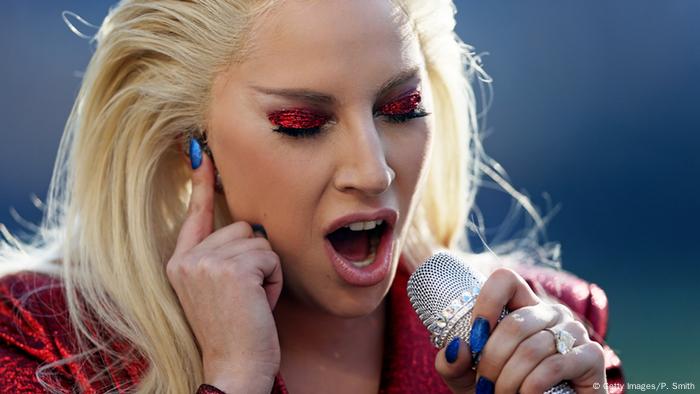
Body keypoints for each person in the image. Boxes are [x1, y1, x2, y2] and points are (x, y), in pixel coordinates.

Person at [0, 0, 625, 393]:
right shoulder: (41, 339)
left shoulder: (555, 331)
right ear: (188, 143)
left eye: (401, 108)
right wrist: (233, 379)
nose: (373, 170)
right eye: (303, 123)